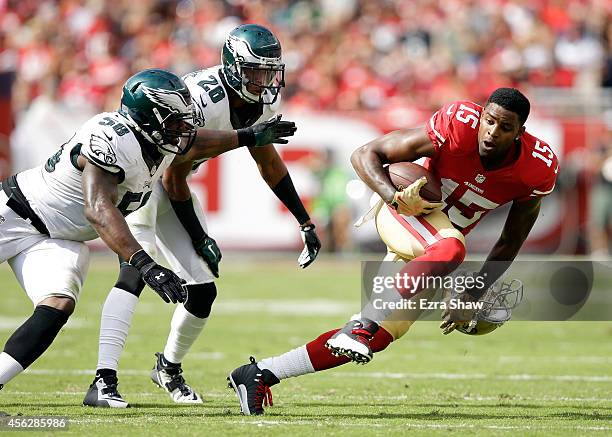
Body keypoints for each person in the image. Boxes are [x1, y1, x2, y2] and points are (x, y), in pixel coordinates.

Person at [227, 87, 559, 415]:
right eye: (489, 121)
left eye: (505, 127)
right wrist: (393, 196)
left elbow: (510, 240)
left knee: (384, 334)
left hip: (431, 249)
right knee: (452, 248)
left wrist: (473, 292)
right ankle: (360, 325)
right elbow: (364, 154)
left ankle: (260, 374)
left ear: (520, 132)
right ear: (482, 115)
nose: (491, 132)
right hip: (406, 213)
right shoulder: (458, 126)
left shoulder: (536, 168)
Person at [0, 67, 296, 395]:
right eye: (174, 120)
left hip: (57, 239)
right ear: (149, 117)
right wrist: (146, 264)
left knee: (58, 304)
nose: (184, 129)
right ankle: (105, 378)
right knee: (120, 279)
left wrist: (249, 136)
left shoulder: (159, 139)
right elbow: (98, 210)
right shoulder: (109, 137)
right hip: (14, 214)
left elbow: (197, 140)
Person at [83, 24, 320, 408]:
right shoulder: (200, 100)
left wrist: (304, 220)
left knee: (202, 291)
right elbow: (174, 174)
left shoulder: (260, 102)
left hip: (169, 181)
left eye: (269, 72)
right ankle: (103, 379)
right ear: (232, 67)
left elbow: (268, 161)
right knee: (135, 271)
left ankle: (168, 368)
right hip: (141, 176)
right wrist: (198, 235)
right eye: (256, 72)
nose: (264, 82)